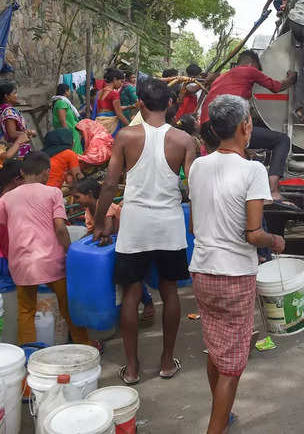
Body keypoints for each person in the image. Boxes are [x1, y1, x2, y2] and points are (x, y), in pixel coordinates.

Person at [189, 95, 284, 433]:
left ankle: (222, 411)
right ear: (246, 126)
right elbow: (253, 233)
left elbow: (194, 225)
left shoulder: (198, 166)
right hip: (235, 274)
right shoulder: (253, 170)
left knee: (216, 349)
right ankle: (216, 426)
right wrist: (275, 241)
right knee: (231, 365)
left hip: (202, 270)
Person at [93, 78, 196, 385]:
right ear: (169, 104)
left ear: (139, 104)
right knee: (169, 290)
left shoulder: (125, 136)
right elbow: (194, 186)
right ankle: (166, 362)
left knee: (131, 292)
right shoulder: (184, 140)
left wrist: (99, 222)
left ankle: (133, 368)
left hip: (135, 224)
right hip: (169, 225)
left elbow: (110, 184)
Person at [0, 152, 96, 347]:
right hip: (52, 261)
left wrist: (11, 256)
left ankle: (29, 355)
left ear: (22, 171)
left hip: (21, 263)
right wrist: (70, 251)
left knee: (26, 311)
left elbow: (3, 231)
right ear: (46, 173)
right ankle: (84, 344)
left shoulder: (6, 199)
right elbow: (60, 228)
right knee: (68, 306)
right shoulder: (53, 193)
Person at [201, 51, 297, 204]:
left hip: (207, 129)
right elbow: (276, 86)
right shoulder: (249, 70)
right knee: (282, 140)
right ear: (252, 64)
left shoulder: (223, 76)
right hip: (227, 126)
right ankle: (273, 192)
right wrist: (292, 78)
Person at [73, 178, 155, 321]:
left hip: (127, 242)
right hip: (113, 246)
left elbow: (108, 229)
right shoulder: (88, 210)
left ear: (90, 194)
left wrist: (95, 237)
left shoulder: (105, 206)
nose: (75, 201)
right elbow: (91, 231)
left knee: (132, 278)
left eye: (77, 197)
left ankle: (147, 302)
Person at [0, 81, 33, 157]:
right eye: (14, 93)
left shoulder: (2, 109)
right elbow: (11, 134)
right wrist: (28, 133)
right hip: (16, 149)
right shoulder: (8, 111)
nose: (17, 95)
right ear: (6, 96)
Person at [51, 83, 83, 154]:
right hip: (68, 132)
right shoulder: (61, 103)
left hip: (72, 131)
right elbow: (63, 120)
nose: (70, 92)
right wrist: (68, 136)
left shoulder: (64, 102)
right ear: (65, 91)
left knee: (75, 152)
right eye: (69, 90)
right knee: (73, 153)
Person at [95, 68, 127, 134]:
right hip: (111, 125)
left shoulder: (99, 92)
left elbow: (99, 109)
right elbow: (119, 114)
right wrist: (129, 125)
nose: (122, 84)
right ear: (115, 79)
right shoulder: (114, 94)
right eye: (121, 81)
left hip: (99, 122)